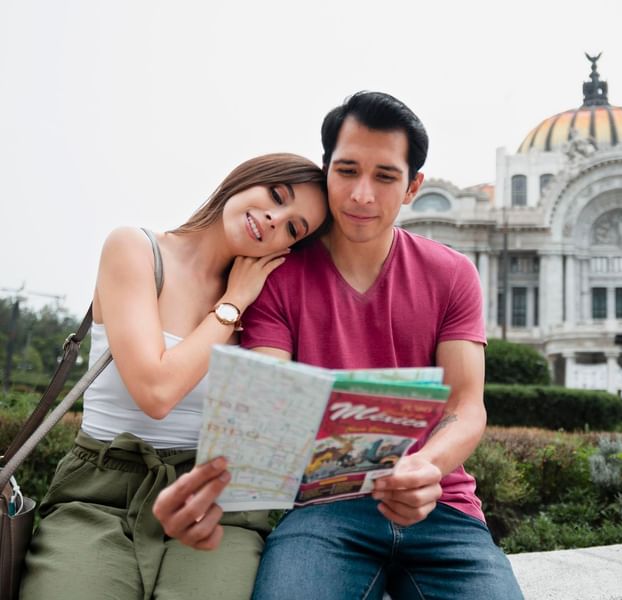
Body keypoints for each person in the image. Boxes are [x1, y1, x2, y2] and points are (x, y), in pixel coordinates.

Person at [154, 92, 523, 599]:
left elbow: (466, 405)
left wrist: (426, 466)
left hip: (440, 506)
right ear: (326, 170)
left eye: (385, 177)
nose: (361, 195)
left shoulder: (453, 273)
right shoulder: (279, 275)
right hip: (322, 511)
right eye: (347, 171)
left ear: (413, 186)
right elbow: (269, 398)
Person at [20, 153, 330, 600]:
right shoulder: (136, 249)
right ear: (246, 179)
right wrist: (232, 304)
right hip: (101, 493)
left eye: (293, 228)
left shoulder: (270, 303)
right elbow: (157, 390)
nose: (273, 218)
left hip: (215, 506)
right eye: (276, 196)